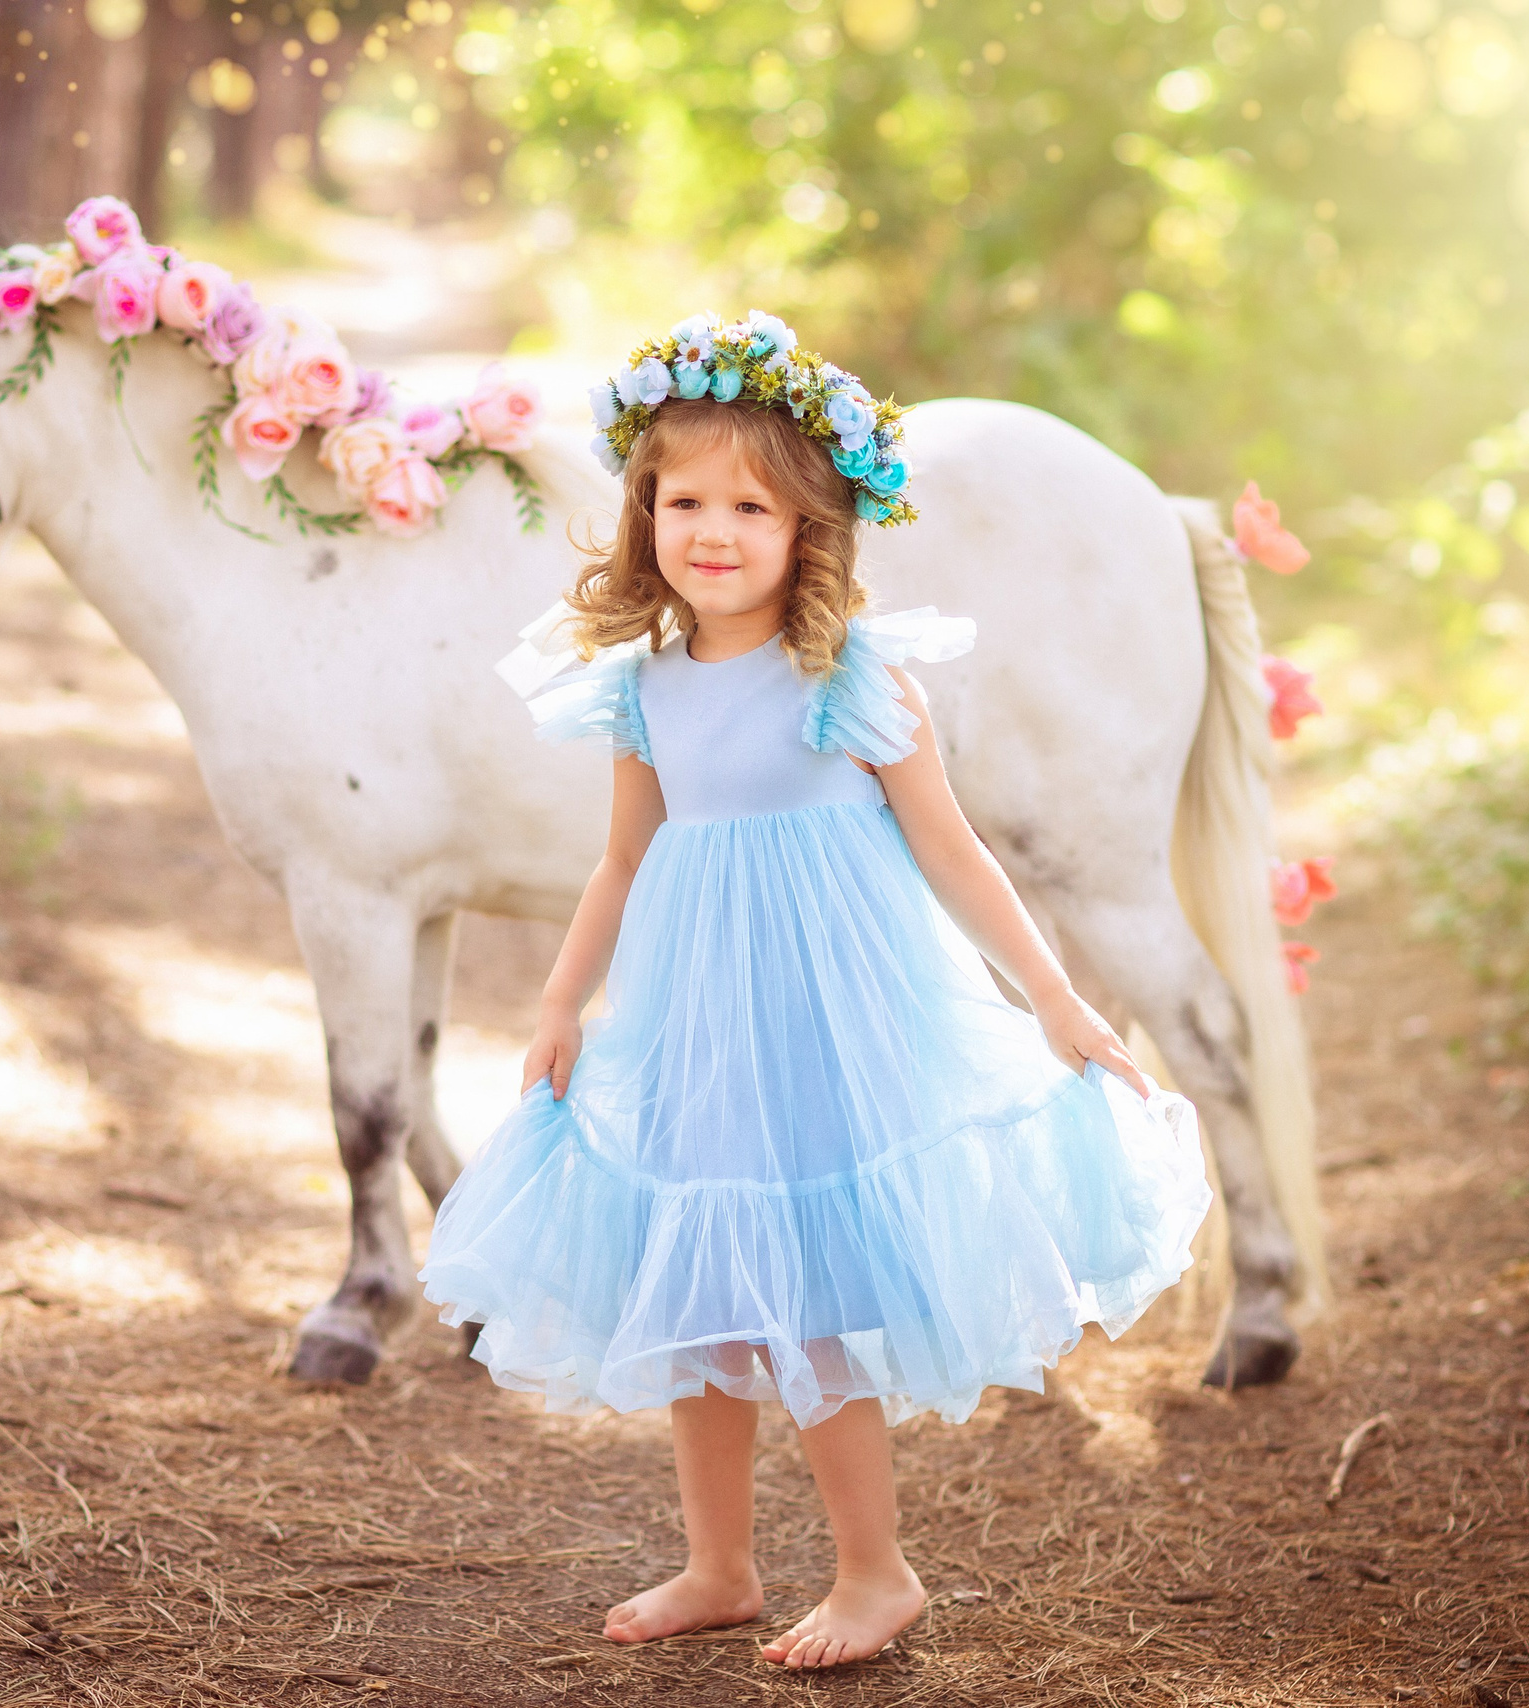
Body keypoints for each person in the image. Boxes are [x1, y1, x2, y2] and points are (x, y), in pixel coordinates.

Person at [418, 314, 1211, 1670]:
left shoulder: (848, 673)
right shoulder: (643, 688)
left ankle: (874, 1572)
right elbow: (621, 859)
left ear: (808, 531)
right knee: (704, 1297)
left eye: (748, 505)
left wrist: (1057, 1003)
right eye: (682, 501)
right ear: (642, 513)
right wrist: (560, 1002)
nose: (710, 529)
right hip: (691, 1018)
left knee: (809, 1301)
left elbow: (954, 853)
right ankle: (717, 1564)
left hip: (834, 1020)